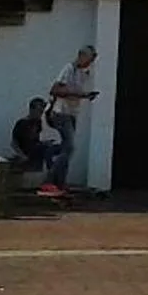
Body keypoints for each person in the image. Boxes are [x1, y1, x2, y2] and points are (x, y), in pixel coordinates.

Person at [46, 45, 97, 192]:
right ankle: (49, 180)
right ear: (81, 55)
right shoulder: (69, 69)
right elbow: (55, 89)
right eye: (89, 58)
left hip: (72, 113)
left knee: (67, 149)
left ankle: (60, 182)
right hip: (60, 113)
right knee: (69, 147)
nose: (90, 63)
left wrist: (86, 95)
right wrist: (81, 95)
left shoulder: (84, 73)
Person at [12, 96, 71, 193]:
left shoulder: (38, 122)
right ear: (32, 109)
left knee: (63, 150)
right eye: (39, 111)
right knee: (48, 150)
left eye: (41, 111)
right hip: (27, 151)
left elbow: (36, 140)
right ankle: (50, 181)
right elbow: (14, 143)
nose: (40, 114)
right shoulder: (22, 123)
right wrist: (22, 156)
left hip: (37, 148)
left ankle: (60, 182)